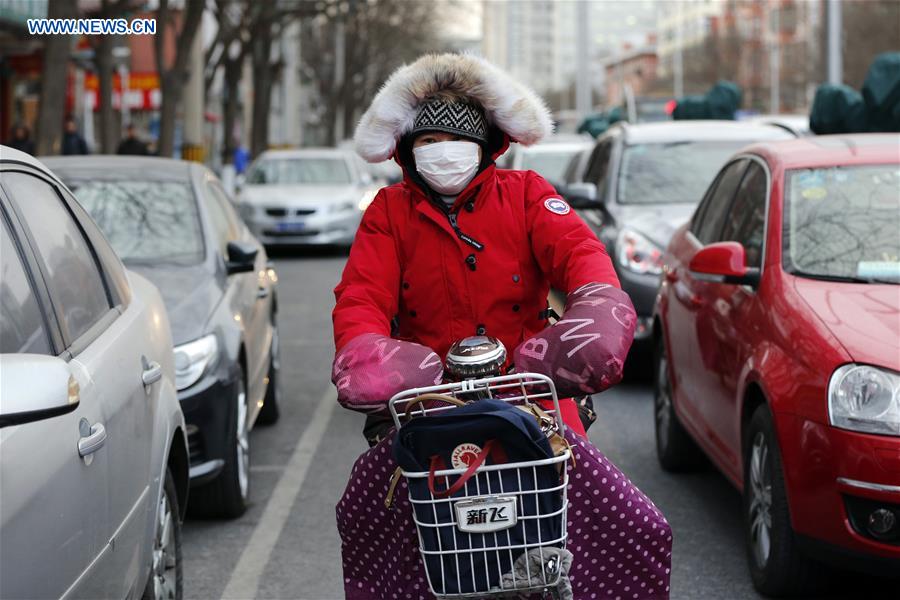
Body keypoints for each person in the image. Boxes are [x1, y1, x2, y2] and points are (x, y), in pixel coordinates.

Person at [332, 53, 672, 600]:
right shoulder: (388, 212)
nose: (442, 152)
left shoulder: (527, 194)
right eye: (427, 142)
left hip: (536, 397)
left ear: (489, 144)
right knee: (369, 518)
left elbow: (581, 254)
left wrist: (597, 309)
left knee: (628, 527)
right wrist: (367, 353)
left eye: (457, 139)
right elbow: (361, 294)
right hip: (427, 405)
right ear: (406, 150)